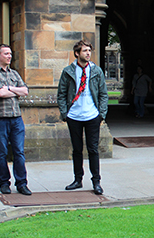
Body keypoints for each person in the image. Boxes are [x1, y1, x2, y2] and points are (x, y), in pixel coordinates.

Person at [57, 40, 109, 195]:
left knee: (93, 149)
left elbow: (103, 94)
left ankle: (96, 182)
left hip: (92, 116)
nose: (88, 53)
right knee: (77, 149)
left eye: (89, 51)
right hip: (74, 116)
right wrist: (65, 113)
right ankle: (77, 180)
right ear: (77, 53)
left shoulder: (96, 71)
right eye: (84, 50)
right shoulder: (68, 71)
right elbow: (61, 94)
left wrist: (102, 114)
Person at [0, 44, 32, 195]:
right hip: (0, 118)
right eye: (6, 53)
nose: (9, 56)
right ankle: (4, 183)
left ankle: (22, 183)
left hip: (16, 118)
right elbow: (0, 93)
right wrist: (14, 90)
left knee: (19, 152)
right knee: (1, 152)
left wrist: (9, 88)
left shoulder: (14, 73)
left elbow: (25, 91)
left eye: (10, 54)